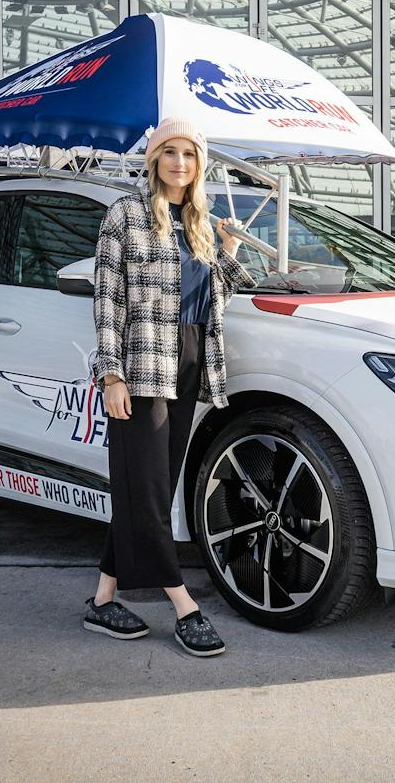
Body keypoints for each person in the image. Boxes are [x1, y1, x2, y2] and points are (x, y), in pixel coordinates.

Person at [83, 117, 254, 657]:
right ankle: (184, 605)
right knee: (152, 492)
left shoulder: (199, 221)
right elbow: (106, 299)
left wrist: (225, 251)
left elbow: (212, 298)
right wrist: (111, 374)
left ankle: (103, 599)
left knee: (148, 488)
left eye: (190, 154)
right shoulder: (127, 215)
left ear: (200, 164)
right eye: (170, 152)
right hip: (141, 365)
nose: (180, 163)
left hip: (190, 362)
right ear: (154, 159)